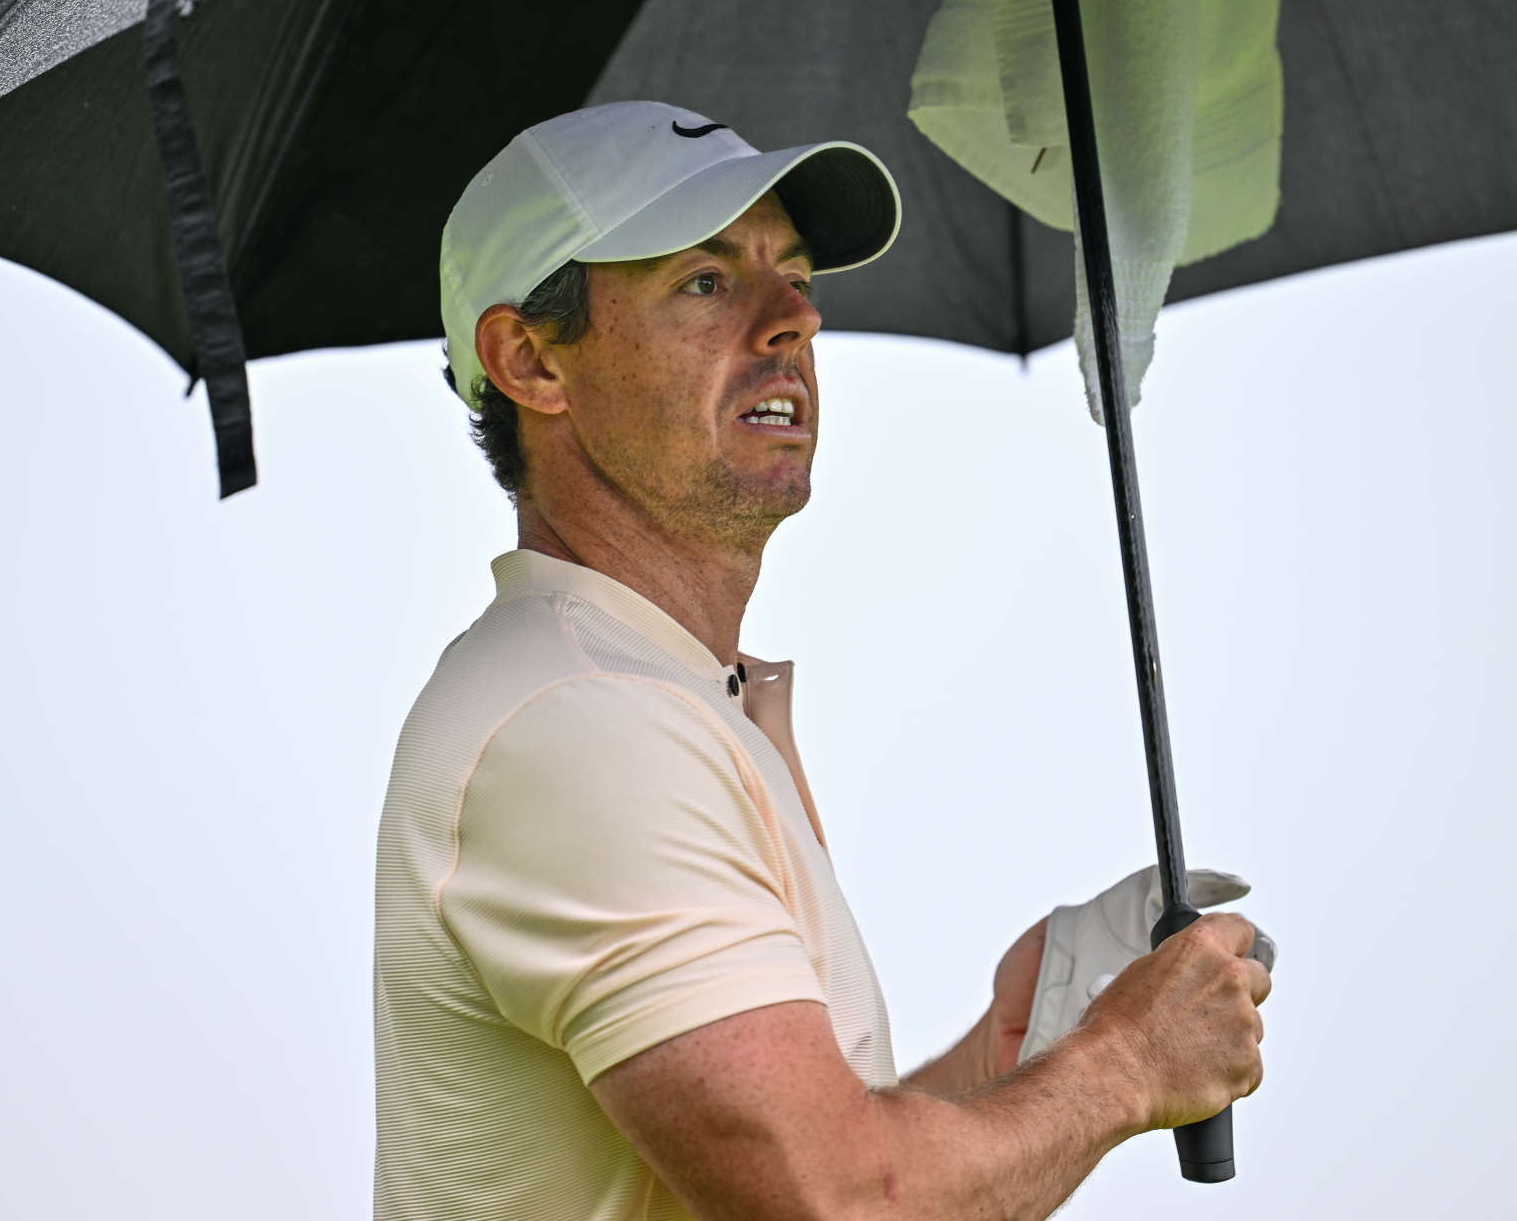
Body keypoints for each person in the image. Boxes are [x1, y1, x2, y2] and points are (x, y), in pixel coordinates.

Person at [374, 101, 1272, 1220]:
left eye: (793, 276)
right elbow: (842, 1199)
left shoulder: (650, 695)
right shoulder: (586, 721)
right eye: (705, 282)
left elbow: (822, 1154)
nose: (790, 317)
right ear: (531, 361)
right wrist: (1126, 1063)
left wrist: (1025, 1044)